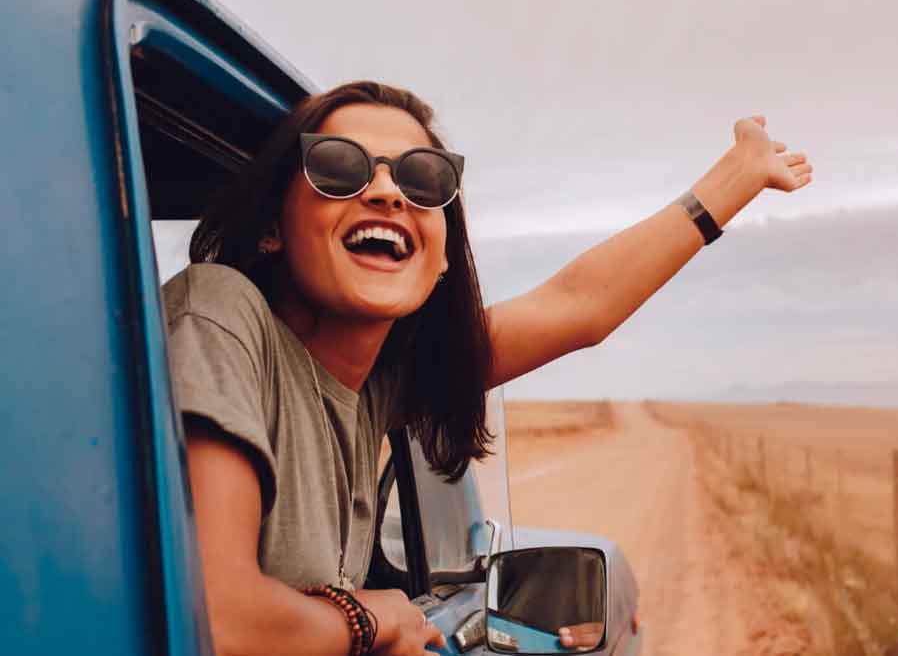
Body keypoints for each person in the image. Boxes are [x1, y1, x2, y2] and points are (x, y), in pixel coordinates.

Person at [170, 80, 812, 656]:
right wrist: (375, 616)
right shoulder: (219, 309)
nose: (390, 193)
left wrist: (737, 177)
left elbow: (577, 306)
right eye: (339, 169)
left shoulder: (370, 391)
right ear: (271, 229)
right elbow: (216, 620)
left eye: (424, 181)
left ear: (442, 254)